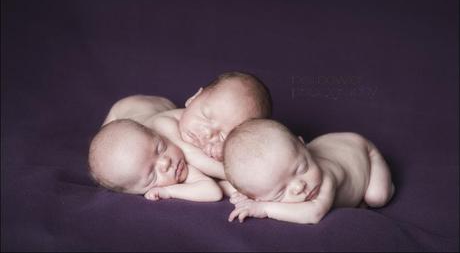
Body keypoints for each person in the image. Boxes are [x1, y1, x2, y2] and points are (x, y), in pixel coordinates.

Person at [102, 71, 272, 180]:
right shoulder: (163, 126)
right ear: (193, 98)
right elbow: (193, 157)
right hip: (130, 109)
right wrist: (241, 179)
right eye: (205, 116)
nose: (207, 133)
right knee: (105, 147)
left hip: (167, 108)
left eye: (222, 136)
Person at [223, 119, 395, 224]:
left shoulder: (327, 177)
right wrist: (244, 198)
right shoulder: (277, 174)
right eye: (280, 191)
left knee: (376, 197)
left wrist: (264, 208)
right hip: (330, 145)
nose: (299, 186)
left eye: (302, 168)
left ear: (302, 144)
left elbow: (314, 213)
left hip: (362, 151)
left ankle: (387, 181)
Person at [88, 119, 223, 202]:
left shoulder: (165, 126)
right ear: (133, 192)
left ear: (158, 134)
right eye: (152, 175)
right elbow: (213, 192)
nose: (166, 163)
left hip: (134, 106)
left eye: (161, 148)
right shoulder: (181, 172)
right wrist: (170, 192)